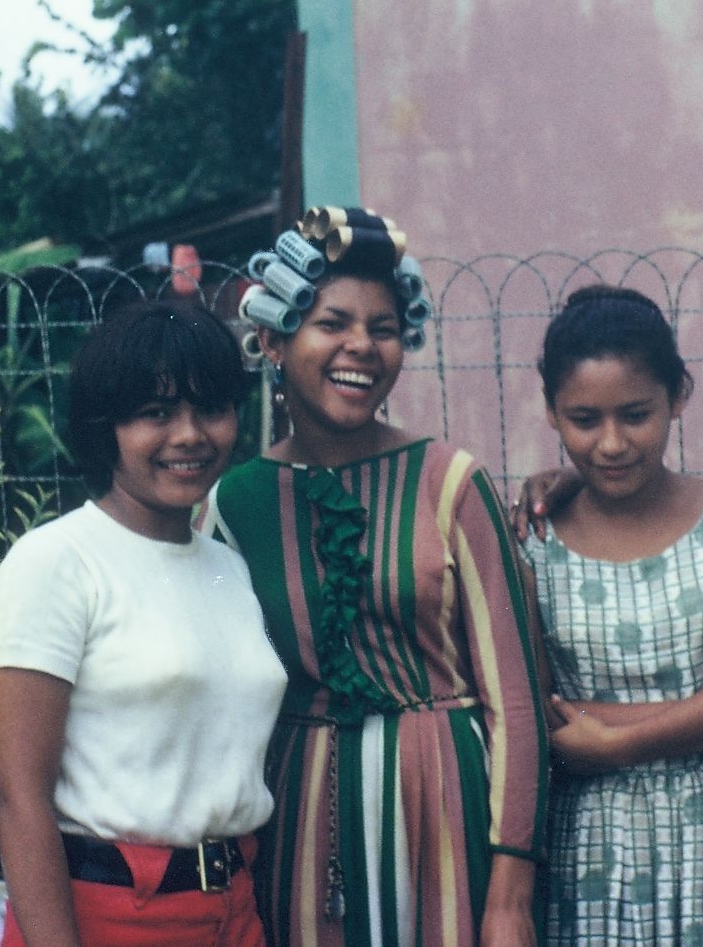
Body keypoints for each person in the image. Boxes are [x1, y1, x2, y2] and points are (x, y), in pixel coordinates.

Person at [204, 208, 546, 947]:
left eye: (384, 328)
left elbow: (513, 702)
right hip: (300, 822)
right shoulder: (235, 504)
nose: (361, 345)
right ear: (272, 337)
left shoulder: (450, 482)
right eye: (332, 323)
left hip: (447, 813)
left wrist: (510, 891)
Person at [520, 285, 703, 946]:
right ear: (549, 412)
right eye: (584, 420)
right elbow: (541, 707)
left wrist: (620, 742)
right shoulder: (532, 543)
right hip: (595, 845)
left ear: (678, 395)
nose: (612, 443)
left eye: (635, 414)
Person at [0, 299, 288, 947]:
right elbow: (19, 799)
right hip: (109, 916)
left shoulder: (226, 569)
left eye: (211, 408)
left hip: (232, 912)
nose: (189, 435)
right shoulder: (56, 562)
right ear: (106, 428)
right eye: (156, 413)